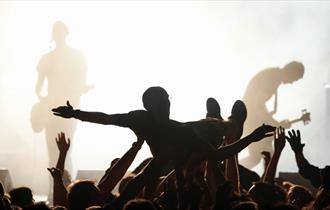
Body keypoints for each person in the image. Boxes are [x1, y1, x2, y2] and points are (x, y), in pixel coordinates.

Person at [52, 86, 275, 209]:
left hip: (180, 155)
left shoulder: (176, 130)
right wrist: (76, 114)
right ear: (151, 106)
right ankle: (227, 125)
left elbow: (217, 155)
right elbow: (107, 118)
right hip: (170, 162)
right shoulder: (141, 119)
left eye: (168, 99)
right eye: (164, 101)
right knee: (150, 176)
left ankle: (231, 126)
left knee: (208, 131)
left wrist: (251, 138)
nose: (168, 104)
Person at [32, 21, 91, 175]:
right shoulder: (75, 56)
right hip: (63, 110)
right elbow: (38, 88)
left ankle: (58, 187)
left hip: (59, 110)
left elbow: (38, 89)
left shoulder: (53, 58)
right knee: (61, 149)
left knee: (57, 150)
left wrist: (45, 101)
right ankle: (63, 186)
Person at [241, 61, 305, 170]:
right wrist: (275, 123)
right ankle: (265, 184)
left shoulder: (273, 75)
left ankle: (231, 172)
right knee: (267, 155)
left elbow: (259, 105)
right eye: (295, 79)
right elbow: (259, 105)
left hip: (248, 119)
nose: (292, 82)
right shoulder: (272, 80)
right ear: (291, 72)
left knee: (257, 157)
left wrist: (273, 121)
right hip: (250, 122)